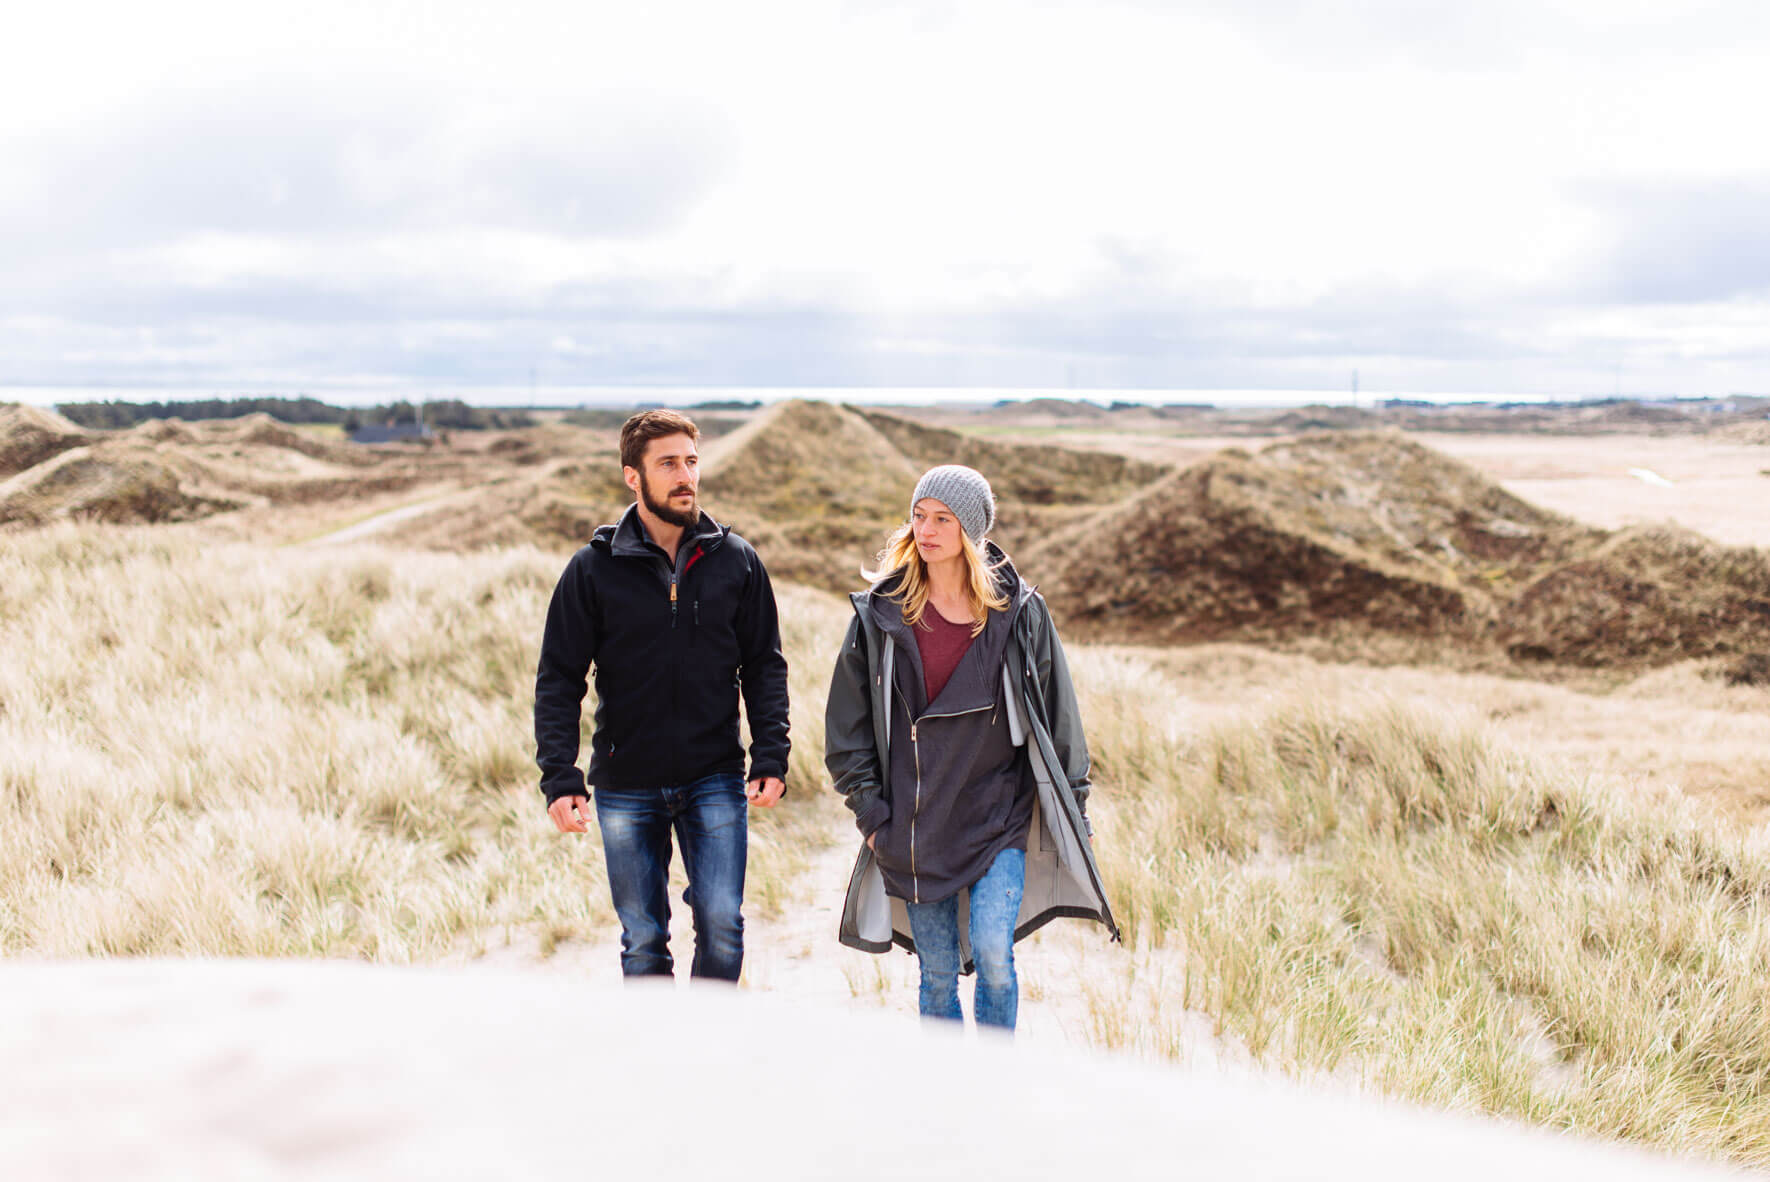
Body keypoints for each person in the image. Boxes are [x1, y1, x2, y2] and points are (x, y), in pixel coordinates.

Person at [824, 464, 1117, 1031]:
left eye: (943, 519)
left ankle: (993, 1087)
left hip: (996, 816)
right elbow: (846, 727)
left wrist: (1072, 805)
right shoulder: (880, 615)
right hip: (912, 825)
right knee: (935, 972)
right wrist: (870, 813)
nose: (926, 530)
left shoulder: (1019, 614)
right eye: (919, 516)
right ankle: (947, 1092)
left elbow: (1060, 714)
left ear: (972, 531)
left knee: (994, 959)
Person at [534, 409, 789, 982]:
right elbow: (559, 677)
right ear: (634, 477)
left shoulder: (736, 560)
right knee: (643, 938)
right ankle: (658, 1064)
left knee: (723, 923)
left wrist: (772, 752)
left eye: (692, 461)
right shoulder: (593, 570)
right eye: (668, 463)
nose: (685, 476)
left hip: (715, 775)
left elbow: (765, 666)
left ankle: (707, 1052)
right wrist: (560, 775)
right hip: (626, 783)